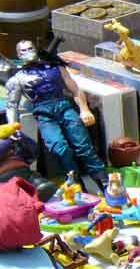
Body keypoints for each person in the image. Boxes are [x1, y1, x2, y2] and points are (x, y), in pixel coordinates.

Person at [4, 40, 108, 189]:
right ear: (18, 55)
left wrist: (84, 109)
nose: (28, 52)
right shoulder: (18, 78)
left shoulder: (55, 67)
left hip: (64, 108)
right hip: (44, 115)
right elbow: (12, 105)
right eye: (23, 51)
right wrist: (12, 127)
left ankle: (104, 183)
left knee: (84, 148)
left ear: (36, 49)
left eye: (30, 48)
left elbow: (75, 89)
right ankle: (75, 183)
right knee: (59, 148)